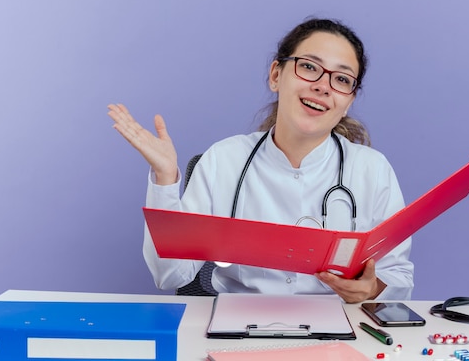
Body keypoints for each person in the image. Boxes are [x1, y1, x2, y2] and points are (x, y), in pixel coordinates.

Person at [107, 18, 414, 303]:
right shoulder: (222, 161)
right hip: (238, 331)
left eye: (342, 79)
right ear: (276, 75)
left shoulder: (373, 170)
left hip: (340, 331)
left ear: (348, 101)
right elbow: (170, 275)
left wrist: (371, 288)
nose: (323, 86)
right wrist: (164, 179)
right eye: (309, 67)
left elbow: (398, 278)